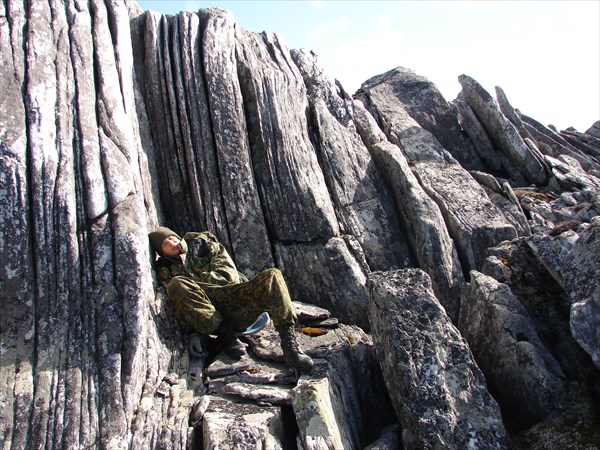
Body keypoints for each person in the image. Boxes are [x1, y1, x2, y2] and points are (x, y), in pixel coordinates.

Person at [148, 226, 314, 372]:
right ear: (163, 253)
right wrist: (194, 333)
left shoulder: (205, 246)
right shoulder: (166, 270)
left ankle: (290, 348)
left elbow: (229, 278)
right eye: (164, 244)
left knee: (273, 275)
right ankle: (227, 338)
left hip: (236, 301)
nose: (171, 243)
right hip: (212, 320)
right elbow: (180, 303)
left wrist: (199, 267)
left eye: (172, 238)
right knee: (176, 284)